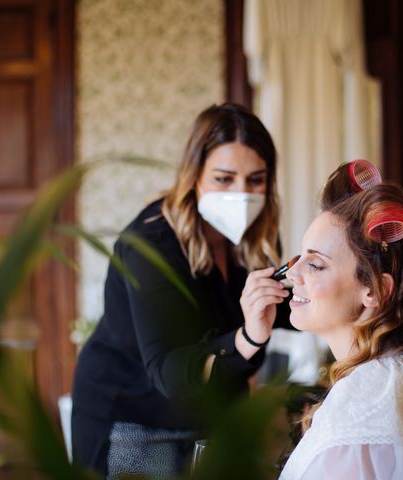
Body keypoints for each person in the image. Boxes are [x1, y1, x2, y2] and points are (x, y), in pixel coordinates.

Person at [71, 103, 292, 479]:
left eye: (256, 180)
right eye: (224, 179)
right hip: (135, 419)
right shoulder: (152, 243)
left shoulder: (257, 238)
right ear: (195, 176)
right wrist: (247, 337)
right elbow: (170, 373)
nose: (242, 194)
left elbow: (276, 308)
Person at [279, 163, 403, 480]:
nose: (292, 274)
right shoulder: (390, 380)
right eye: (300, 257)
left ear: (375, 291)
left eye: (316, 264)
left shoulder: (366, 408)